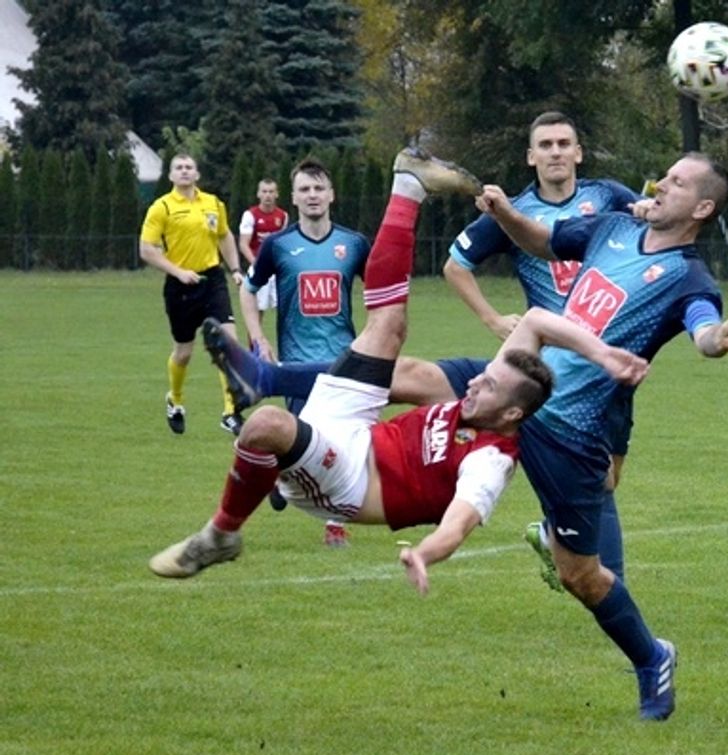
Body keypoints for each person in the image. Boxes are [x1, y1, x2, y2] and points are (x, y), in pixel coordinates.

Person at [149, 148, 649, 596]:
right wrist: (602, 354)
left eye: (489, 384)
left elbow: (458, 525)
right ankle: (407, 184)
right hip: (354, 426)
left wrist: (425, 553)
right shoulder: (491, 402)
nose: (474, 383)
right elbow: (538, 320)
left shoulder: (491, 460)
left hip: (348, 481)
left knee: (266, 427)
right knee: (389, 329)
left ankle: (220, 535)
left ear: (513, 412)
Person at [475, 152, 728, 721]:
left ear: (701, 207)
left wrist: (717, 339)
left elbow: (702, 327)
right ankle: (280, 394)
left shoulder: (690, 277)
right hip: (526, 383)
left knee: (588, 575)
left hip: (581, 423)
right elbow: (541, 241)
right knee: (423, 380)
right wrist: (505, 211)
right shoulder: (612, 225)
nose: (660, 183)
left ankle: (649, 655)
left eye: (676, 183)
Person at [395, 111, 644, 590]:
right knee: (582, 471)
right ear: (531, 157)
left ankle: (552, 535)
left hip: (605, 361)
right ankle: (608, 583)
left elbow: (643, 233)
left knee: (609, 476)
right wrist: (492, 318)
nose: (555, 152)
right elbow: (455, 265)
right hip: (549, 370)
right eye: (545, 145)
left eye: (563, 143)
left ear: (578, 153)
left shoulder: (608, 197)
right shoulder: (513, 212)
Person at [239, 158, 370, 547]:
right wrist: (258, 337)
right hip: (296, 364)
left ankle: (333, 524)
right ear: (293, 198)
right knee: (303, 442)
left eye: (318, 188)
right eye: (304, 189)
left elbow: (382, 288)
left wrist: (373, 335)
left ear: (331, 194)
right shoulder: (279, 246)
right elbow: (248, 290)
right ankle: (278, 474)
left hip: (344, 361)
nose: (312, 195)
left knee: (342, 442)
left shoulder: (355, 244)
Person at [139, 153, 247, 436]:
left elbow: (224, 236)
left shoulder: (212, 203)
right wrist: (177, 272)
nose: (185, 172)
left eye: (189, 167)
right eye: (179, 168)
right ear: (171, 175)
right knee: (183, 353)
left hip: (212, 279)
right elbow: (147, 249)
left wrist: (235, 268)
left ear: (197, 174)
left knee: (228, 344)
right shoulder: (161, 207)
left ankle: (230, 412)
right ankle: (175, 400)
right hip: (180, 287)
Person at [237, 178, 289, 330]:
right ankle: (254, 351)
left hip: (277, 270)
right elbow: (243, 244)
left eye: (271, 192)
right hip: (259, 268)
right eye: (264, 191)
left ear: (277, 194)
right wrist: (256, 263)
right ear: (258, 194)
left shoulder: (282, 216)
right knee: (257, 312)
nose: (268, 195)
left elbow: (282, 244)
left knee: (285, 311)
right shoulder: (250, 215)